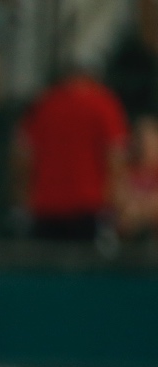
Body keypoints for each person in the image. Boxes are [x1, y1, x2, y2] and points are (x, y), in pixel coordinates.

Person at [13, 68, 129, 241]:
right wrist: (116, 203)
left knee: (46, 265)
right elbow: (116, 158)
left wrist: (22, 200)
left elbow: (22, 159)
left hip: (46, 206)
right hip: (89, 207)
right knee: (88, 266)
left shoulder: (43, 104)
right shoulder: (104, 103)